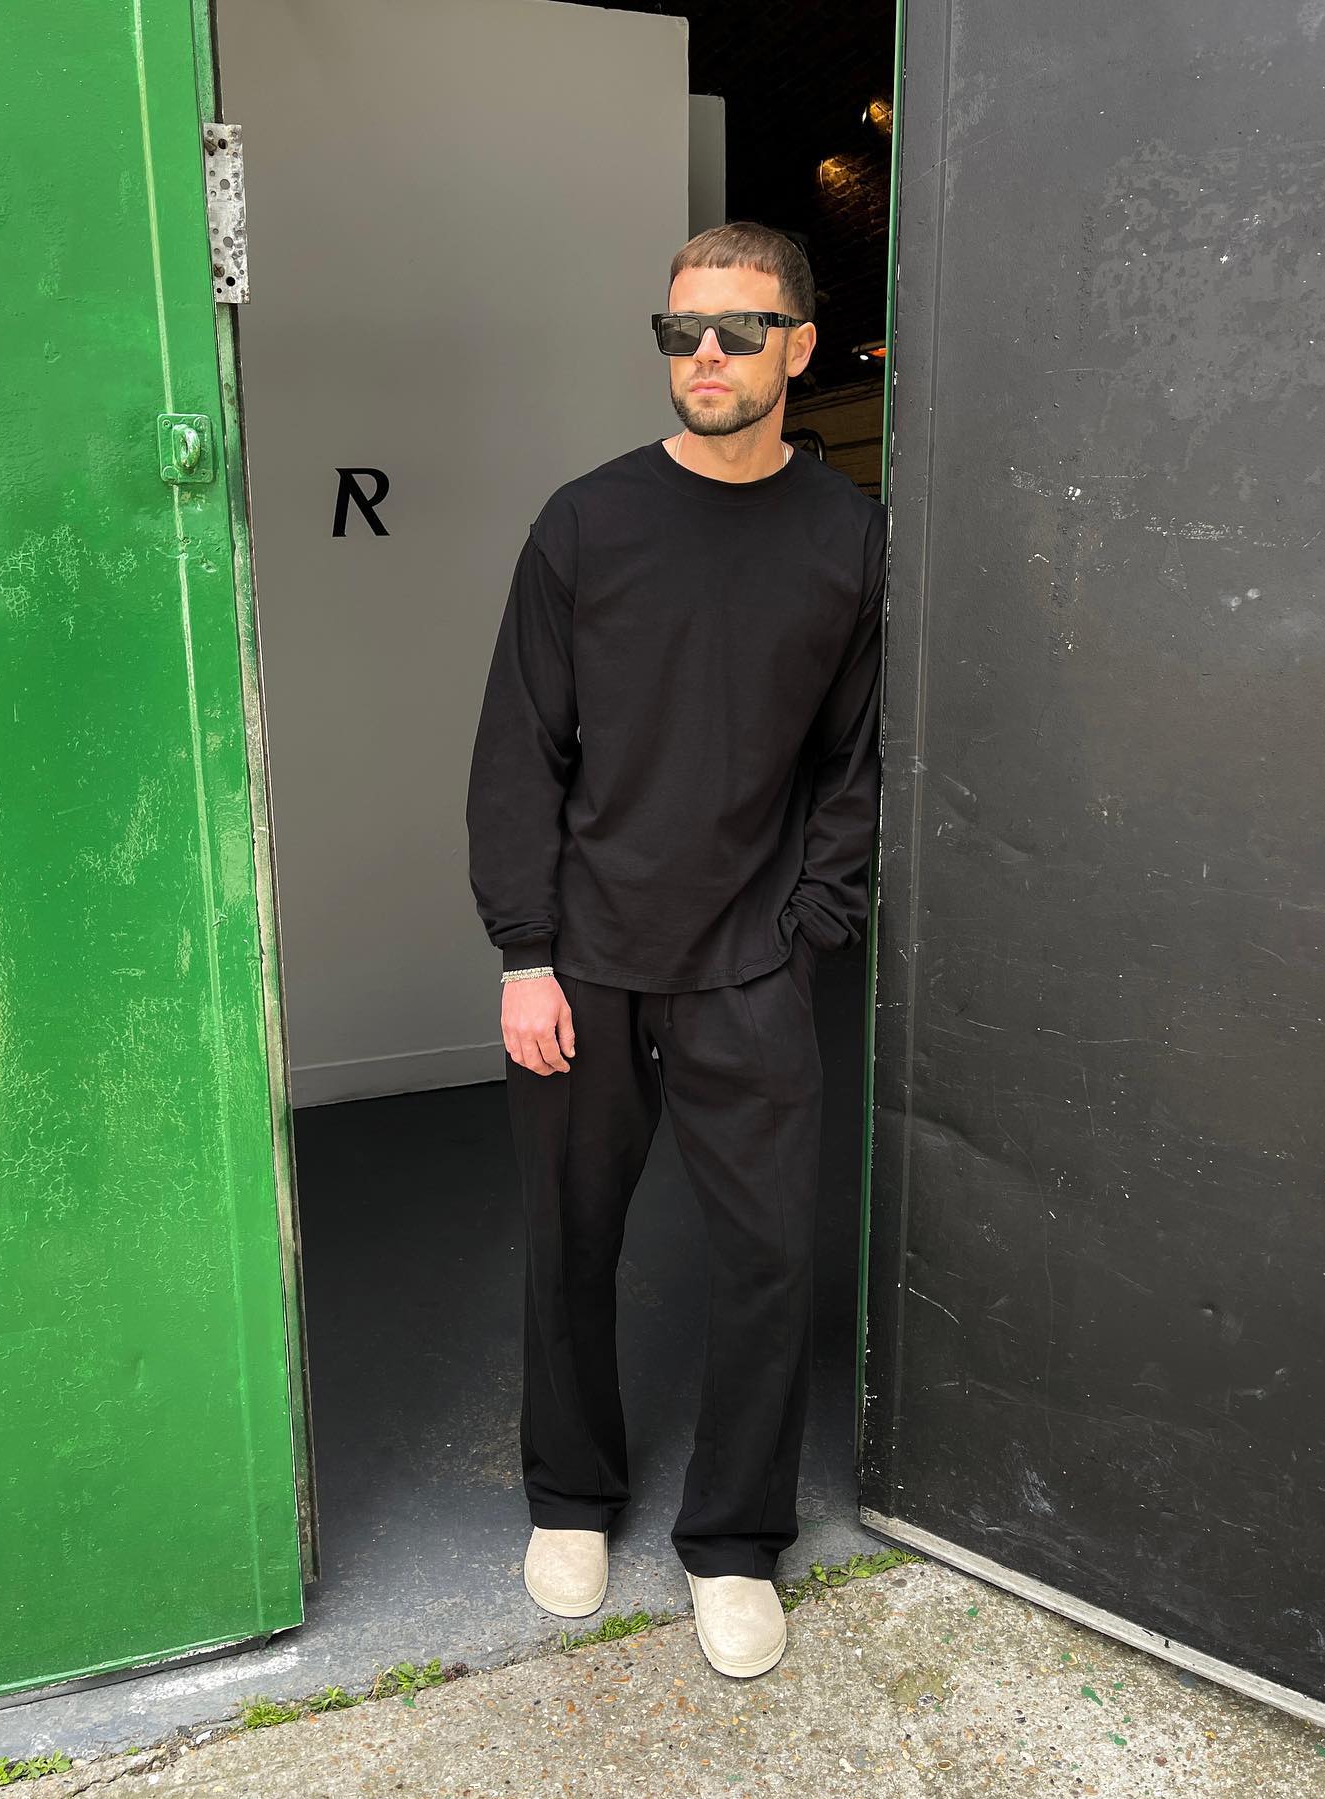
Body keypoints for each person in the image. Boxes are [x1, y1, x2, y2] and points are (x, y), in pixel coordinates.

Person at [465, 220, 887, 1681]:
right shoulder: (586, 524)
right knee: (570, 1241)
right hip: (583, 961)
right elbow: (520, 749)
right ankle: (570, 1500)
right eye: (680, 330)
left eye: (738, 329)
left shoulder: (847, 539)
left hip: (751, 964)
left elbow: (856, 762)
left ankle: (736, 1541)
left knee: (770, 1258)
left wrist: (811, 924)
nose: (704, 354)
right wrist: (525, 952)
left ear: (799, 348)